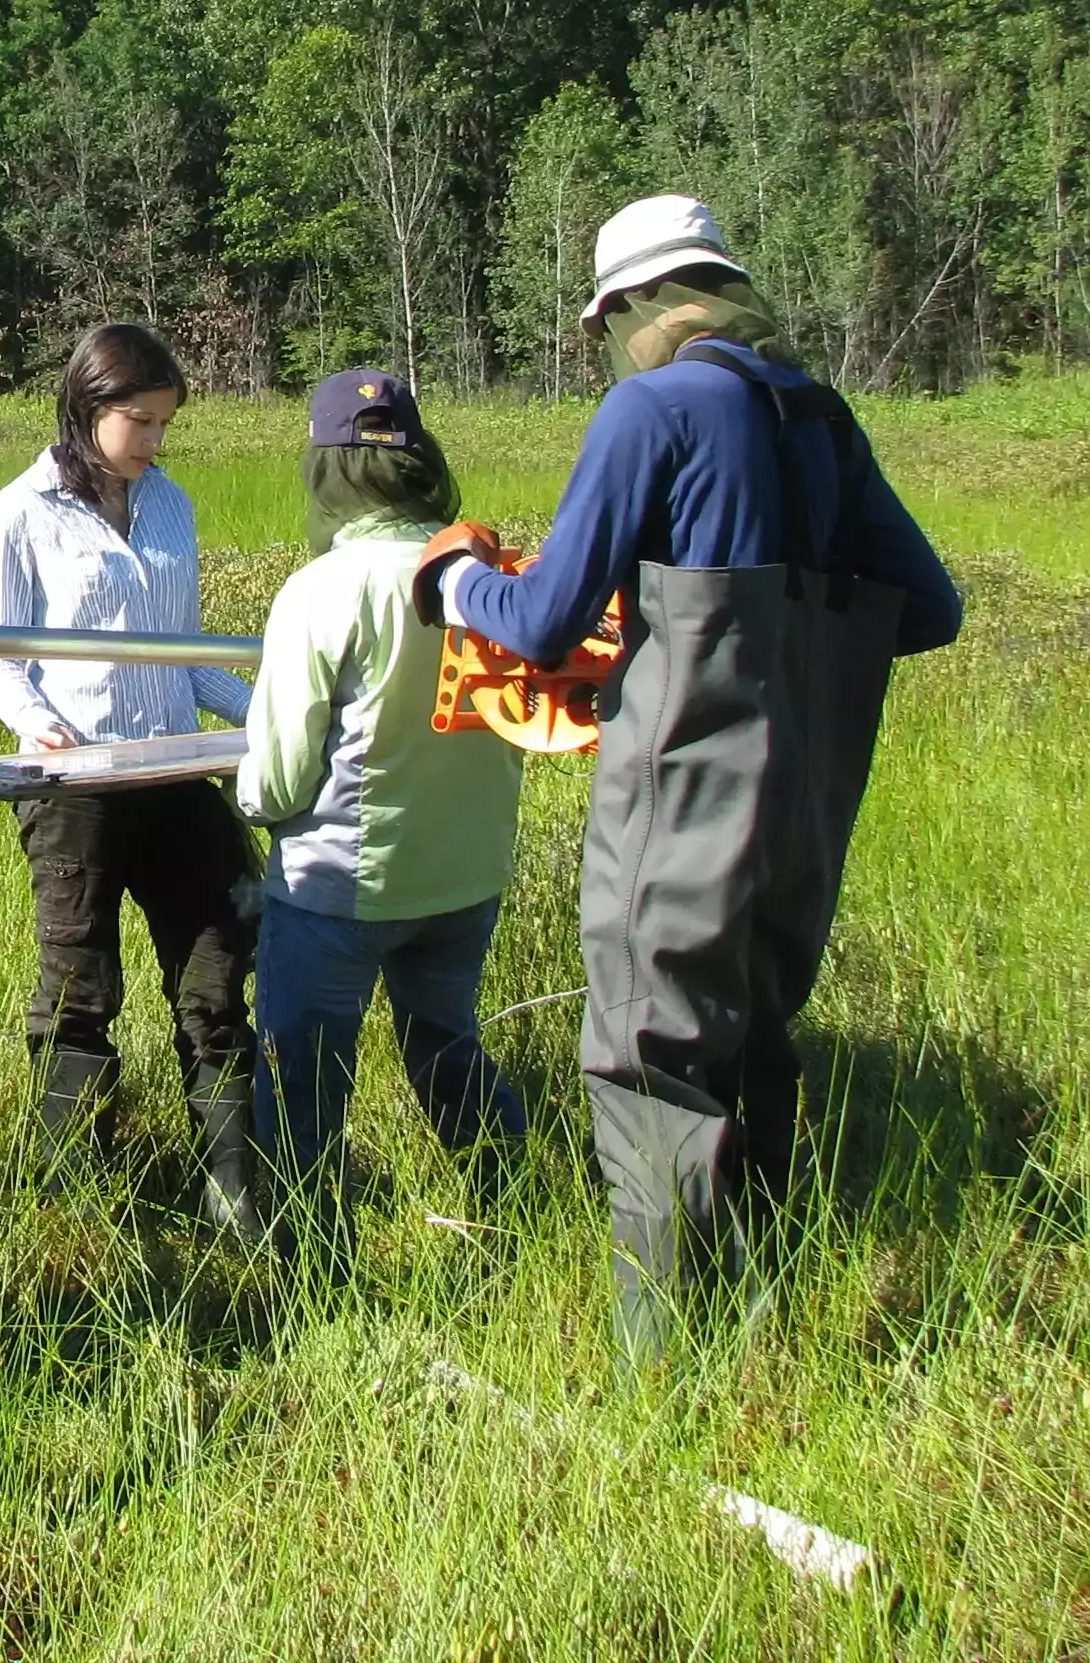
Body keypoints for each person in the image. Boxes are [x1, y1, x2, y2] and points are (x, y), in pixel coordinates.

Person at [417, 195, 962, 1360]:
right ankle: (758, 1329)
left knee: (651, 1053)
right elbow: (931, 610)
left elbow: (541, 618)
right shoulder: (817, 414)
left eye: (609, 316)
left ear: (637, 305)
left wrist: (455, 581)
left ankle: (659, 1366)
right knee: (758, 1037)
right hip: (804, 802)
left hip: (683, 792)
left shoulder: (652, 406)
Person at [0, 323, 263, 1240]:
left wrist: (271, 712)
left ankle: (236, 1194)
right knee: (79, 989)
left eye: (165, 424)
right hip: (76, 790)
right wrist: (37, 725)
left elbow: (185, 657)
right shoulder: (17, 513)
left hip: (175, 779)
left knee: (217, 978)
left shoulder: (172, 505)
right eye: (139, 421)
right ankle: (79, 1208)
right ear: (87, 407)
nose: (153, 443)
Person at [236, 370, 526, 1249]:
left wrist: (246, 795)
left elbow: (277, 780)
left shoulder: (323, 591)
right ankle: (515, 1206)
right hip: (467, 875)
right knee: (447, 1047)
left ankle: (306, 1263)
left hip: (340, 887)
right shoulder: (485, 576)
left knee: (302, 1083)